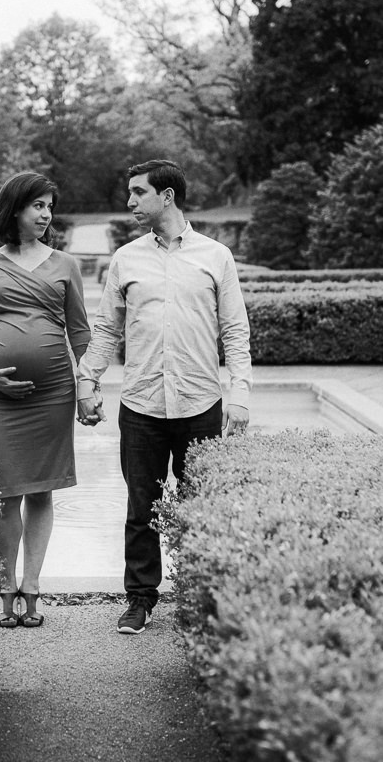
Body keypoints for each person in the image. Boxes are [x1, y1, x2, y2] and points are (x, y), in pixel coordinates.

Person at [76, 159, 251, 635]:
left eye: (138, 193)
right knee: (141, 507)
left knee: (200, 506)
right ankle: (140, 598)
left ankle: (199, 595)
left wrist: (240, 393)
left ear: (167, 196)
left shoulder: (216, 256)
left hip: (201, 404)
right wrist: (86, 380)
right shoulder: (126, 258)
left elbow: (235, 330)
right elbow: (107, 329)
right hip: (142, 405)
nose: (130, 202)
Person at [0, 171, 91, 629]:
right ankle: (4, 588)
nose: (46, 214)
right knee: (3, 493)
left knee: (40, 491)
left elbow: (80, 331)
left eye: (50, 207)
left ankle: (32, 587)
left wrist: (88, 388)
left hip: (53, 393)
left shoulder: (65, 265)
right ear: (15, 208)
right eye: (38, 205)